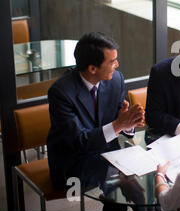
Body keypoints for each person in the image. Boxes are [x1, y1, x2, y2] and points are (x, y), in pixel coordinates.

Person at [47, 32, 145, 189]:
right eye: (112, 61)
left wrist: (128, 123)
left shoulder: (116, 80)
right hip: (74, 163)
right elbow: (79, 142)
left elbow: (119, 122)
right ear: (92, 68)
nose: (117, 65)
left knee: (143, 172)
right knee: (128, 182)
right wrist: (118, 125)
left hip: (108, 155)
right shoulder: (61, 93)